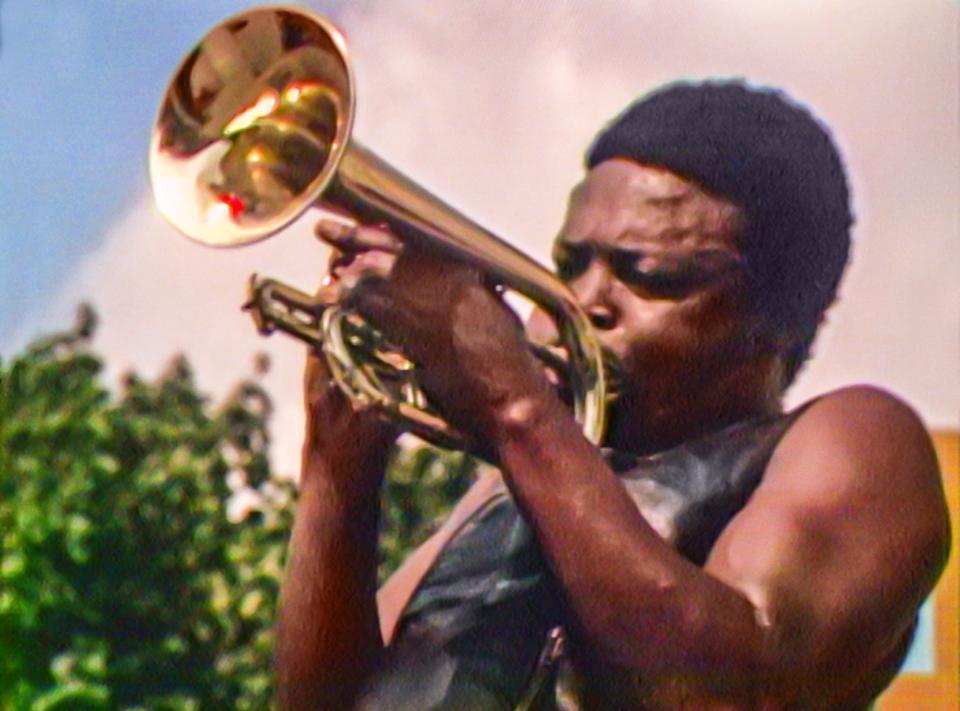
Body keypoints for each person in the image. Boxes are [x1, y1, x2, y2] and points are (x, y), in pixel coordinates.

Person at [273, 81, 951, 710]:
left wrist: (514, 405)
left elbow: (735, 689)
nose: (586, 302)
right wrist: (338, 463)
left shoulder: (856, 436)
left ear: (781, 317)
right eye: (570, 266)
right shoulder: (511, 488)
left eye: (649, 274)